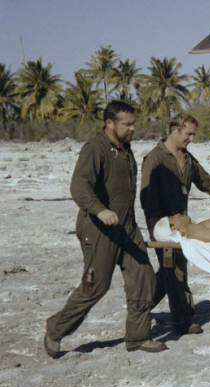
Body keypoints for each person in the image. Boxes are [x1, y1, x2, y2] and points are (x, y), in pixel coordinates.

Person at [44, 100, 166, 358]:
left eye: (134, 123)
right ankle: (56, 329)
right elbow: (79, 187)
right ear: (110, 123)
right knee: (95, 287)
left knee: (144, 276)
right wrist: (100, 210)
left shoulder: (125, 148)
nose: (133, 128)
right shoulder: (94, 149)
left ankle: (138, 336)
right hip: (99, 228)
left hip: (127, 226)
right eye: (128, 124)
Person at [140, 112, 210, 335]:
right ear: (176, 129)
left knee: (172, 270)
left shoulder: (187, 157)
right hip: (163, 225)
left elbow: (202, 178)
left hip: (182, 222)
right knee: (174, 271)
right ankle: (181, 319)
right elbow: (146, 197)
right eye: (189, 134)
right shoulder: (155, 158)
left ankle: (142, 308)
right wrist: (161, 227)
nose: (191, 138)